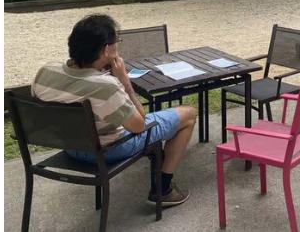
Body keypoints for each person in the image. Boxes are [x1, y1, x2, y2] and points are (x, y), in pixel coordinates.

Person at [32, 14, 197, 207]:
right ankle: (163, 189)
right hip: (108, 150)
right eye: (116, 42)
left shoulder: (45, 71)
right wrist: (125, 83)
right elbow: (139, 125)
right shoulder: (106, 87)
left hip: (70, 145)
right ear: (106, 50)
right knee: (189, 114)